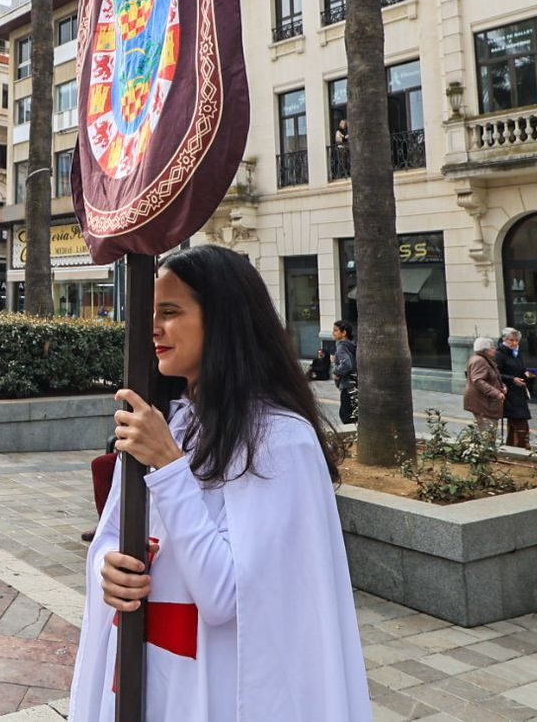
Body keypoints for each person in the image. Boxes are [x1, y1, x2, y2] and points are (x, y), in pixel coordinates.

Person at [68, 245, 371, 721]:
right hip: (146, 665)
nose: (153, 328)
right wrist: (108, 566)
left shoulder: (281, 441)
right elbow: (114, 533)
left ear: (224, 320)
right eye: (151, 313)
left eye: (170, 312)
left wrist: (169, 467)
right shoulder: (173, 421)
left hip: (219, 682)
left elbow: (225, 595)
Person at [496, 327, 532, 448]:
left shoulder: (516, 353)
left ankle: (513, 445)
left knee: (515, 421)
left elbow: (520, 369)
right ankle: (521, 445)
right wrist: (512, 379)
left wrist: (526, 373)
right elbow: (496, 374)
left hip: (519, 391)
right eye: (511, 340)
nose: (514, 343)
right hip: (509, 392)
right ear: (504, 340)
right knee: (519, 419)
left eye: (516, 340)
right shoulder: (500, 354)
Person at [463, 337, 505, 436]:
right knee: (488, 433)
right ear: (485, 350)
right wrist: (497, 393)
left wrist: (502, 386)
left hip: (484, 401)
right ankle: (487, 450)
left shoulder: (484, 359)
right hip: (482, 402)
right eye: (493, 347)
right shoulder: (479, 360)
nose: (495, 350)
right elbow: (478, 380)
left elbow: (492, 377)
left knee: (488, 432)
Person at [330, 319, 358, 424]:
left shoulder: (341, 347)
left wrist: (336, 371)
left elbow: (347, 364)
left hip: (347, 384)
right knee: (354, 413)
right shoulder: (351, 345)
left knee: (346, 415)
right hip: (355, 383)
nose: (333, 332)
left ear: (344, 332)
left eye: (336, 330)